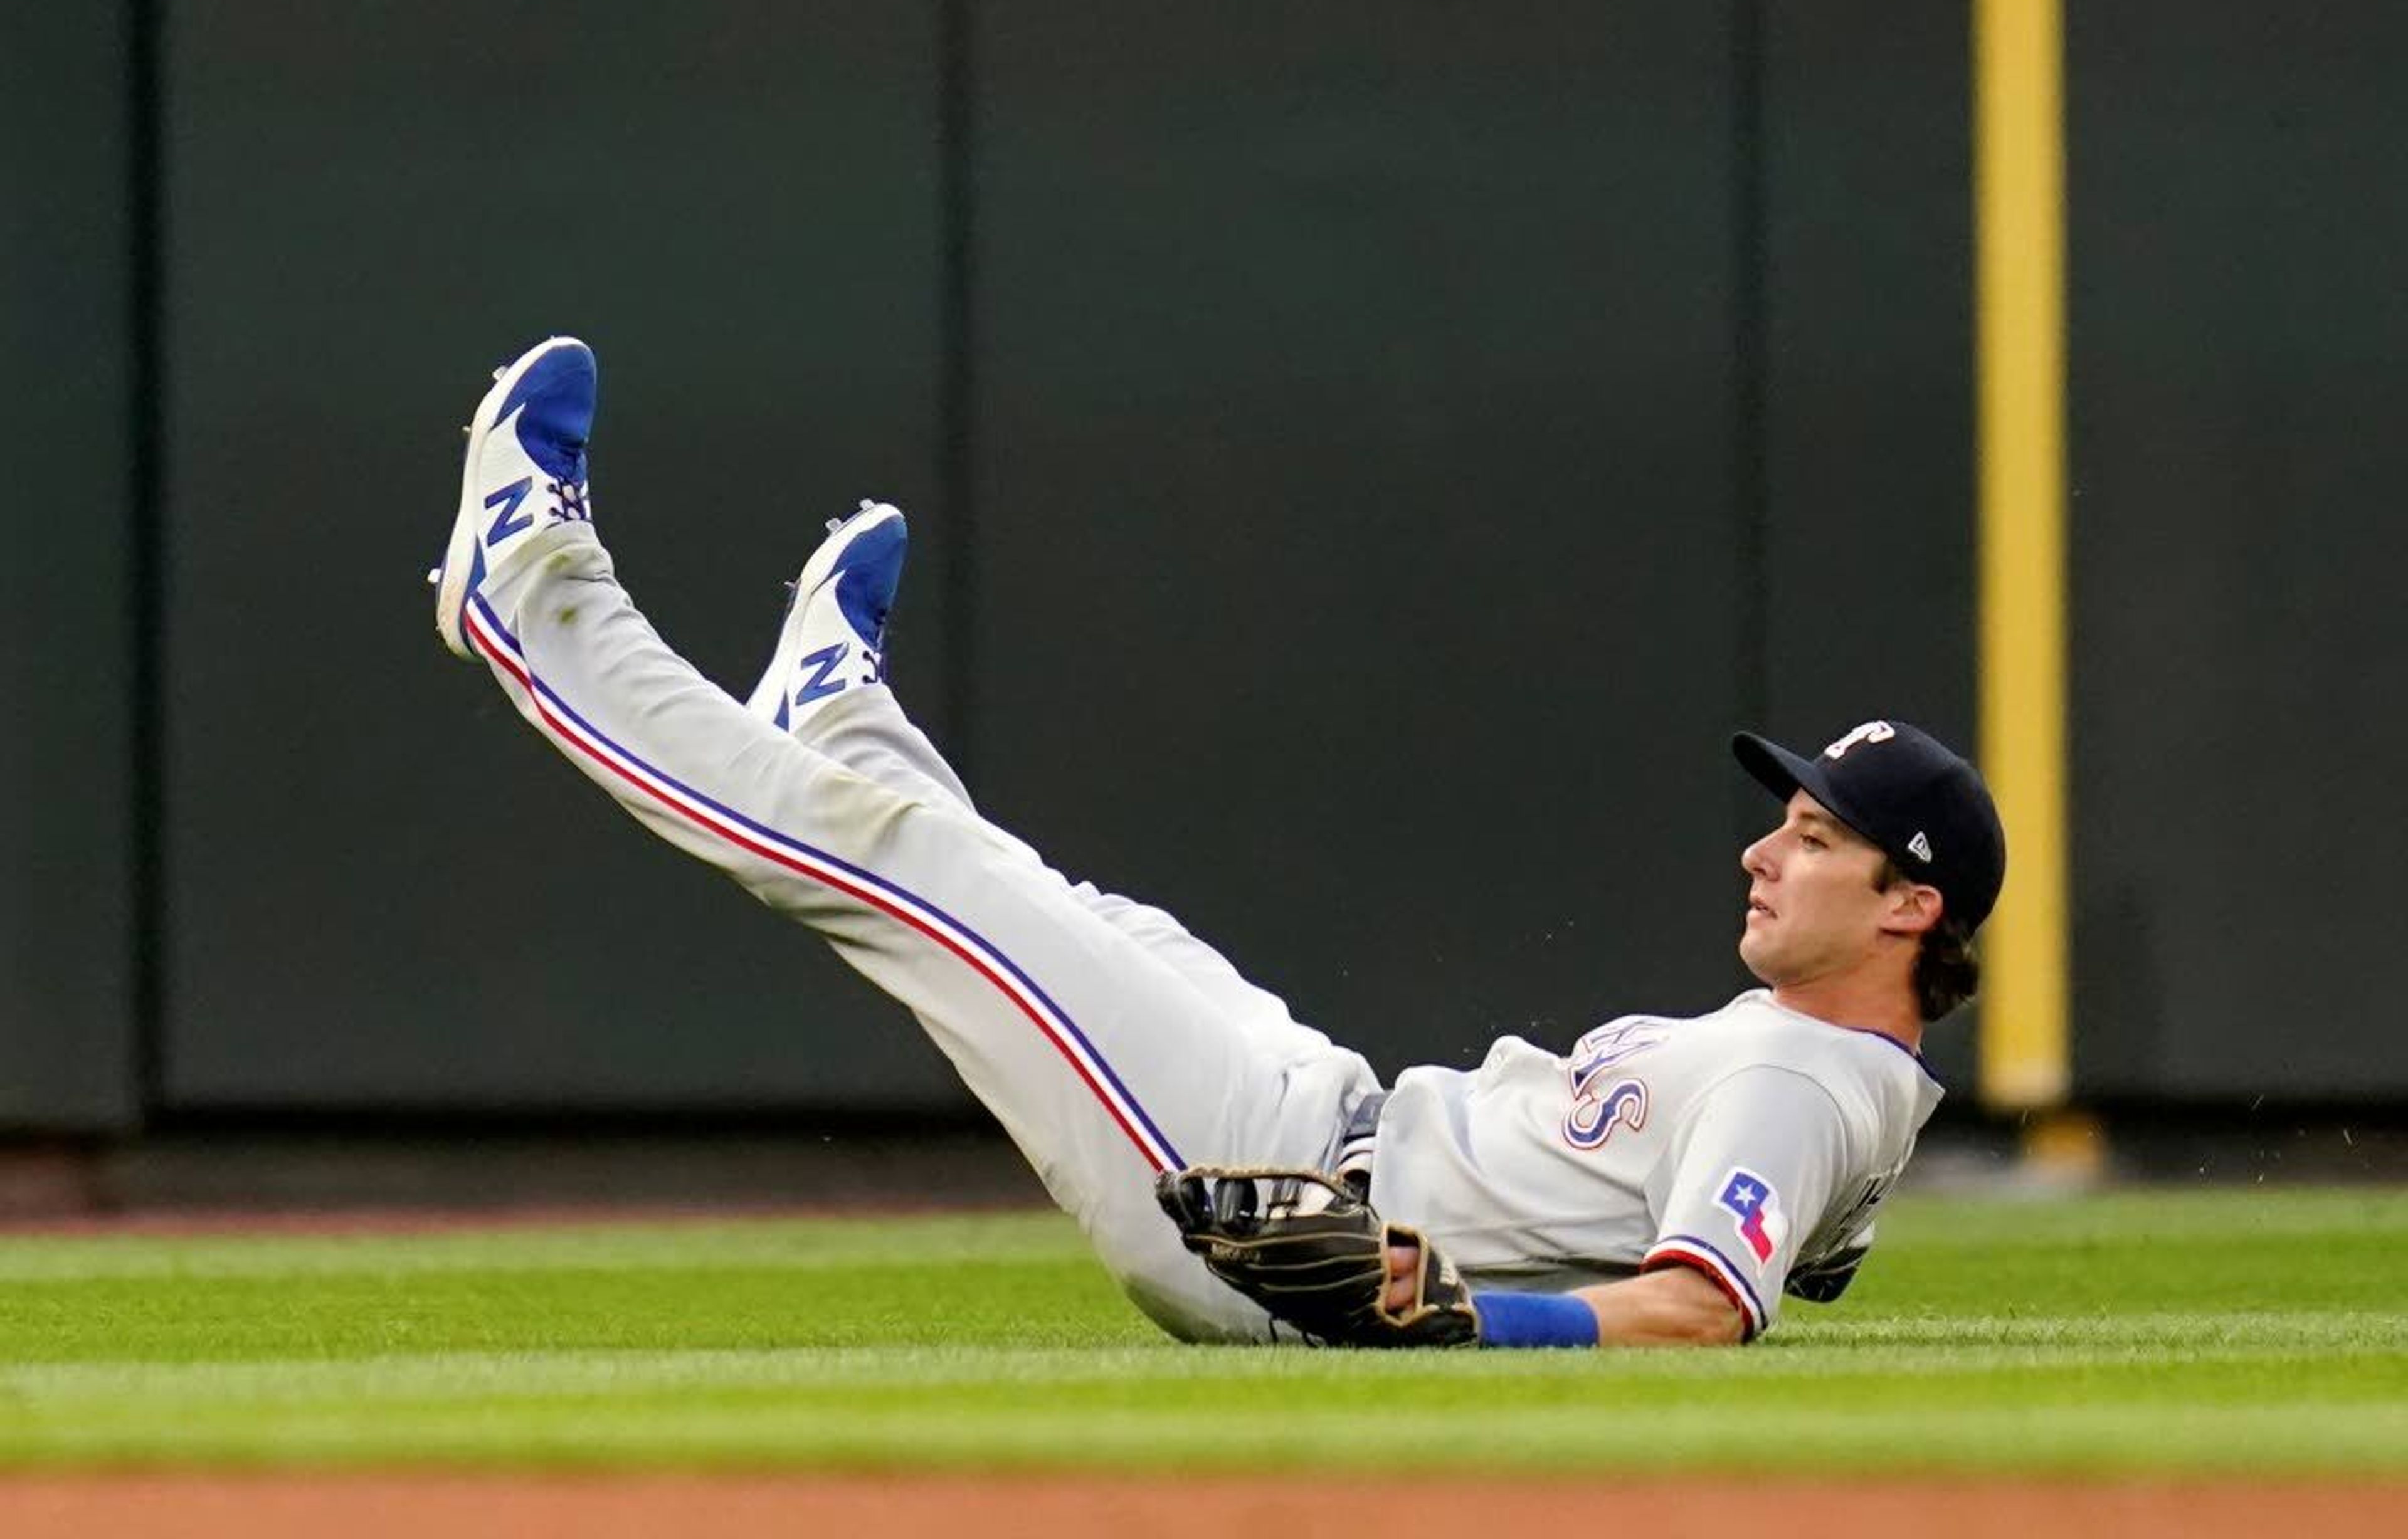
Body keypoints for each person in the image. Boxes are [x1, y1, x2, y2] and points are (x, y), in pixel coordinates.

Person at [431, 337, 2006, 1349]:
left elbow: (1700, 1306)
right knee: (1080, 910)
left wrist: (1460, 1313)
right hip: (1327, 1119)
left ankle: (538, 609)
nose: (1762, 852)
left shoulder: (1802, 1081)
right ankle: (835, 726)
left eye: (1813, 838)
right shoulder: (1828, 1072)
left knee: (920, 880)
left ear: (1909, 903)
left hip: (1262, 1213)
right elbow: (1810, 1255)